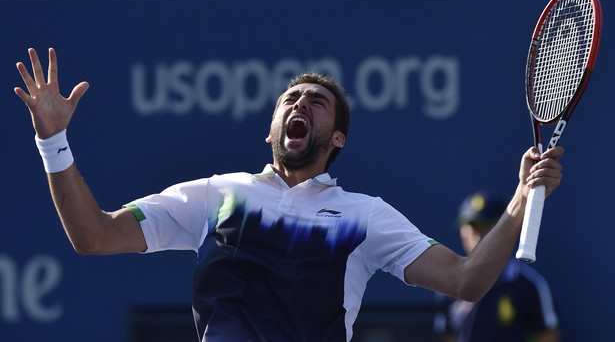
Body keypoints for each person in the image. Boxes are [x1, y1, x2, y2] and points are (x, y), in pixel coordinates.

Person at [14, 47, 564, 342]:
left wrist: (520, 199)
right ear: (272, 128)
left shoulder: (364, 216)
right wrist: (53, 141)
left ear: (337, 138)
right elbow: (93, 235)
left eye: (316, 102)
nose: (299, 104)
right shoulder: (216, 195)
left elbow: (465, 281)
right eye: (290, 99)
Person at [434, 190, 561, 342]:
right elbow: (448, 335)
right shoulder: (448, 287)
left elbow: (547, 335)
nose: (477, 234)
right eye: (473, 227)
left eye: (486, 225)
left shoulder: (529, 286)